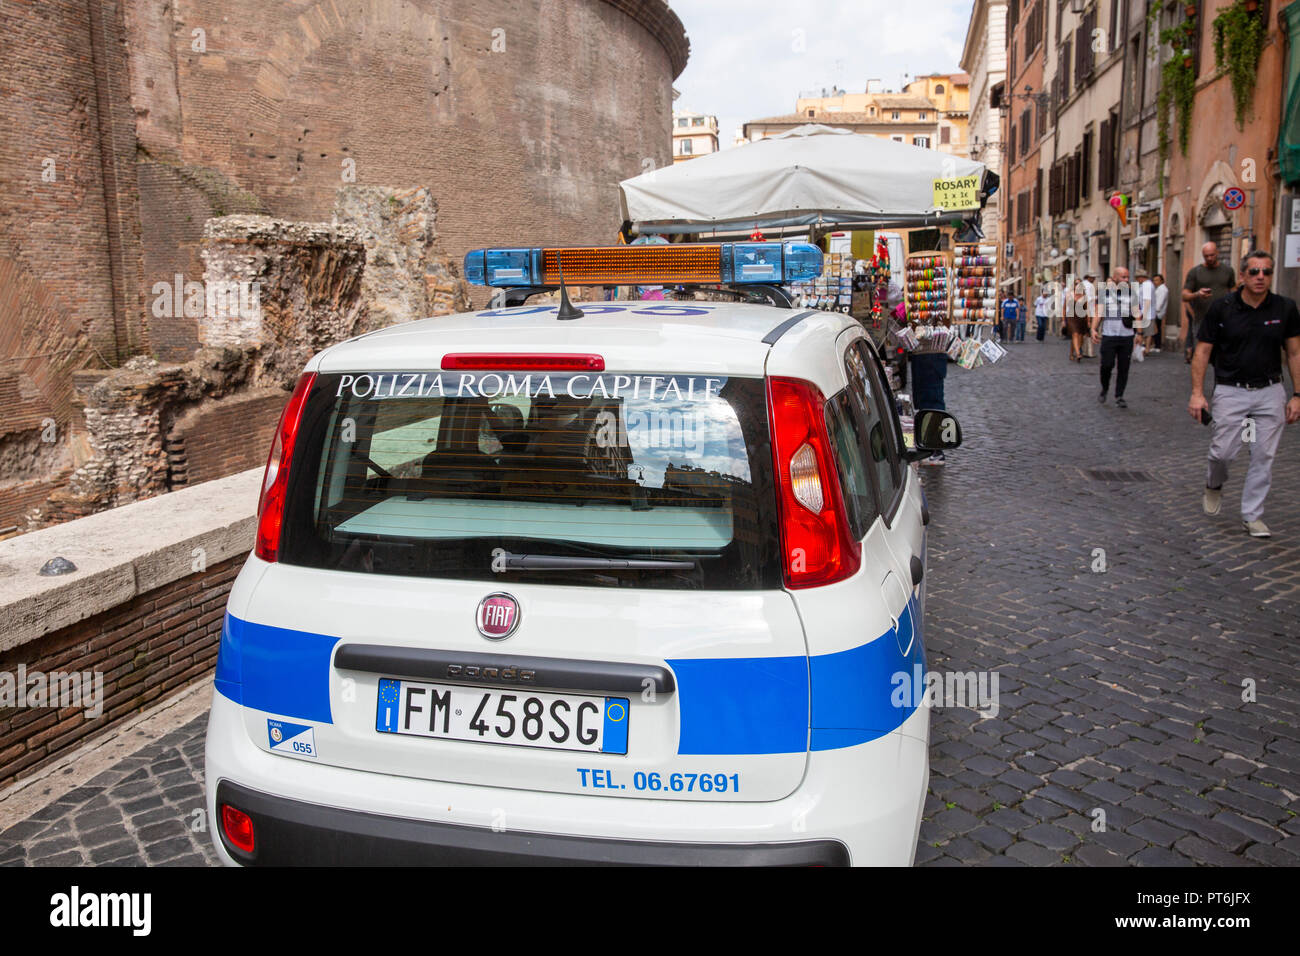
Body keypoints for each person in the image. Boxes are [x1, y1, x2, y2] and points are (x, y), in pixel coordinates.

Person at [1188, 250, 1300, 537]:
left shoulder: (1284, 308)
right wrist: (1197, 394)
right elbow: (1202, 351)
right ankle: (1214, 484)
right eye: (1254, 272)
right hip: (1230, 389)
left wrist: (1297, 394)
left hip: (1270, 390)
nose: (1260, 277)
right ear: (1242, 276)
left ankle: (1252, 515)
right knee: (1223, 453)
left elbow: (1294, 352)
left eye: (1266, 272)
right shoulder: (1222, 307)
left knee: (1264, 455)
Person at [1182, 241, 1236, 363]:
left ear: (1217, 253)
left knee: (1225, 354)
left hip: (1224, 319)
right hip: (1202, 319)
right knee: (1200, 355)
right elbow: (1184, 295)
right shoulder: (1195, 272)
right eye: (1206, 256)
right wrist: (1197, 294)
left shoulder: (1228, 271)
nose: (1209, 258)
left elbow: (1233, 291)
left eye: (1212, 255)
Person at [1092, 266, 1138, 408]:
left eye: (1127, 277)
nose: (1126, 279)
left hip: (1127, 335)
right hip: (1109, 335)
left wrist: (1140, 333)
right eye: (1123, 277)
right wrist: (1093, 329)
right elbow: (1098, 313)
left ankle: (1119, 395)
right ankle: (1105, 388)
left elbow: (1137, 313)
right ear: (1115, 277)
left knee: (1124, 367)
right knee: (1106, 365)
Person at [1066, 277, 1090, 361]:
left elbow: (1087, 309)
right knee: (1075, 334)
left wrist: (1088, 321)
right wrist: (1062, 320)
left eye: (1079, 283)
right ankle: (1078, 353)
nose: (1077, 285)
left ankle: (1072, 353)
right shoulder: (1070, 294)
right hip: (1072, 317)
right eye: (1076, 283)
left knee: (1079, 337)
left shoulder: (1084, 296)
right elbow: (1064, 307)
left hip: (1082, 318)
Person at [1135, 268, 1156, 351]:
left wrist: (1143, 313)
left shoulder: (1147, 285)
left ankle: (1146, 349)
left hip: (1147, 312)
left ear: (1141, 277)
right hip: (1146, 312)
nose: (1137, 280)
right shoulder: (1145, 285)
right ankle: (1144, 348)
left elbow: (1147, 300)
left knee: (1147, 332)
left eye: (1137, 278)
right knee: (1146, 331)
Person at [1151, 273, 1169, 353]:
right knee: (1156, 329)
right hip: (1156, 312)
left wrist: (1155, 311)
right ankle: (1156, 345)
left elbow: (1159, 302)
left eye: (1157, 280)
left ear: (1162, 280)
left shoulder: (1162, 289)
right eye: (1154, 280)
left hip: (1157, 313)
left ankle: (1158, 345)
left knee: (1156, 329)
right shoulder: (1158, 288)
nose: (1155, 282)